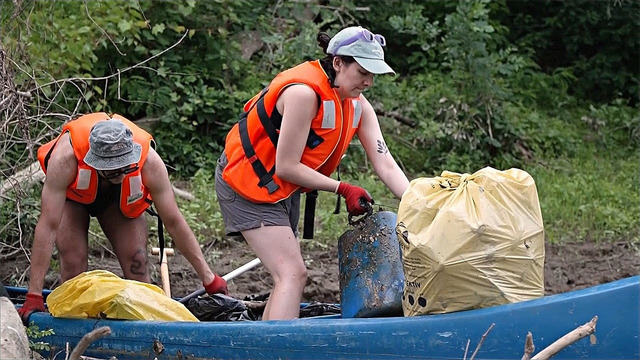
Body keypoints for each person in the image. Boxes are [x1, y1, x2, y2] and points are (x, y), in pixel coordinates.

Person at [216, 26, 410, 320]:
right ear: (338, 63)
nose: (369, 81)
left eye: (374, 74)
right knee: (292, 273)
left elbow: (385, 163)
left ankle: (262, 344)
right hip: (247, 183)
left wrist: (417, 201)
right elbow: (287, 166)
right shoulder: (304, 93)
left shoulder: (358, 105)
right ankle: (277, 351)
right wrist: (342, 188)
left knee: (287, 275)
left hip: (283, 188)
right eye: (362, 72)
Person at [18, 113, 228, 323]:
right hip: (75, 198)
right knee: (74, 262)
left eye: (125, 167)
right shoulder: (65, 159)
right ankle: (72, 327)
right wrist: (34, 295)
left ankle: (146, 332)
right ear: (95, 162)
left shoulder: (149, 162)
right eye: (112, 169)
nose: (120, 172)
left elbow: (173, 221)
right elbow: (48, 225)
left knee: (137, 262)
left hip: (119, 201)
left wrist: (208, 278)